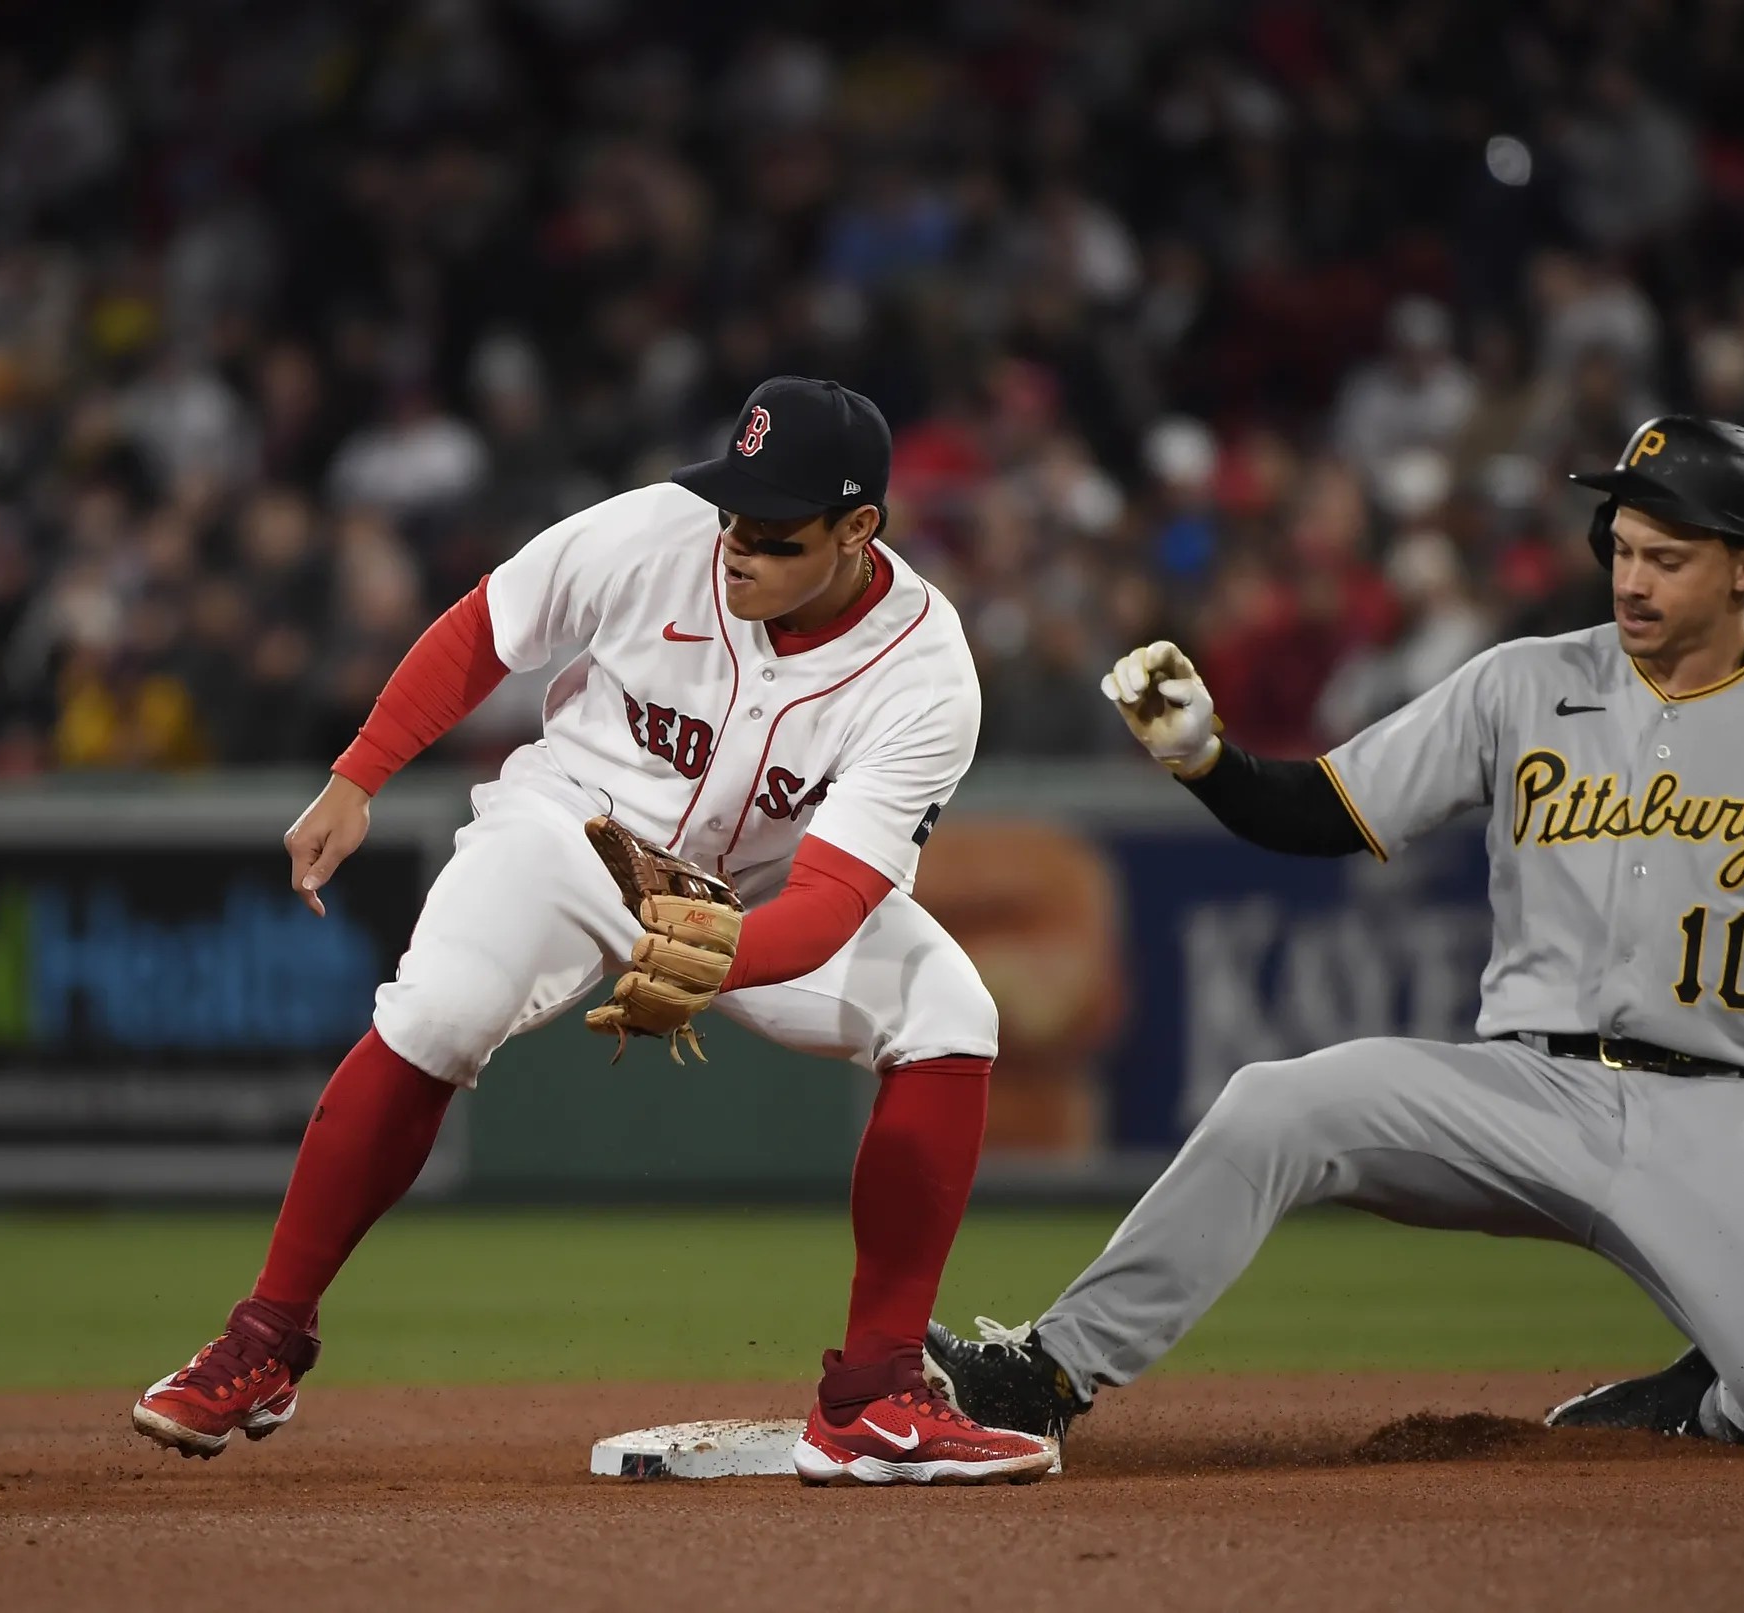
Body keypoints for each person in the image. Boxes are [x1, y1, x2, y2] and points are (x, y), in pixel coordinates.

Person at [925, 416, 1744, 1455]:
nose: (1630, 580)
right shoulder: (1522, 684)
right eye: (1620, 548)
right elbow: (1328, 811)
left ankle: (1702, 1395)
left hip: (1709, 1116)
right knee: (1276, 1101)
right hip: (1516, 1090)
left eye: (1665, 559)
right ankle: (1044, 1370)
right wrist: (1207, 761)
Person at [133, 376, 1055, 1487]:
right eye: (732, 514)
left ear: (859, 529)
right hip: (573, 830)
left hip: (755, 895)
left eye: (773, 532)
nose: (735, 546)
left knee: (951, 1014)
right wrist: (357, 773)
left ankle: (872, 1396)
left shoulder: (922, 669)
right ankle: (266, 1338)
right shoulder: (653, 532)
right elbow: (487, 625)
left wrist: (724, 955)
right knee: (436, 1011)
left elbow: (833, 898)